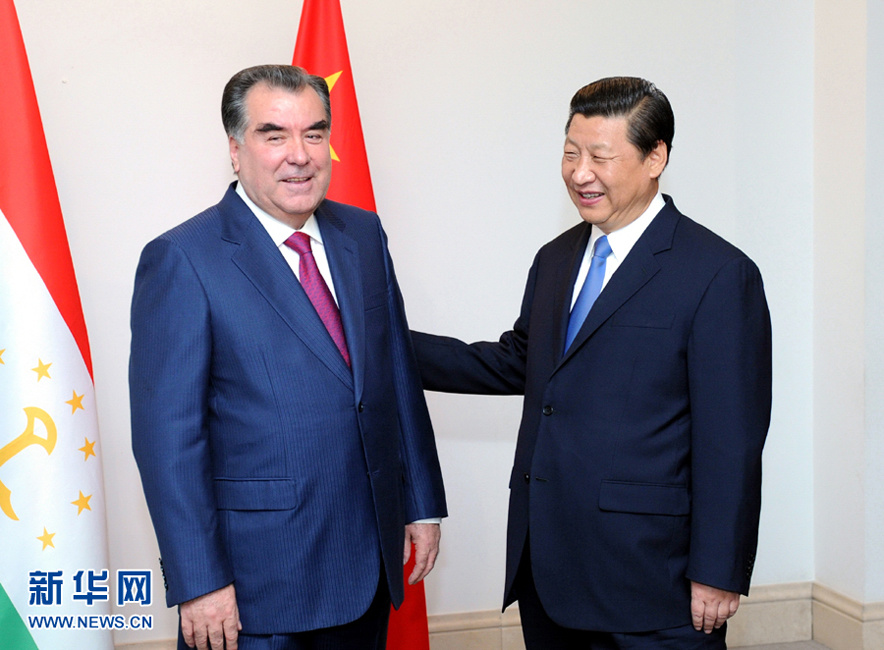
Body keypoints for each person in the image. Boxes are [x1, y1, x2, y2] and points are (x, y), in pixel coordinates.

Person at [411, 76, 771, 648]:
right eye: (571, 153)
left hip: (652, 581)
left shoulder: (718, 274)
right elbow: (521, 362)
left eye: (600, 157)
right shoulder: (555, 259)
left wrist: (719, 570)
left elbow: (731, 441)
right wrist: (385, 345)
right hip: (548, 569)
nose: (580, 173)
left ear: (656, 158)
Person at [130, 64, 446, 650]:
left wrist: (422, 504)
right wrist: (200, 582)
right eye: (274, 135)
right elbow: (167, 441)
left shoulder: (362, 235)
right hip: (256, 586)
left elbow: (395, 373)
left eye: (314, 134)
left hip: (369, 563)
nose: (299, 156)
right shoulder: (183, 259)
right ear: (235, 150)